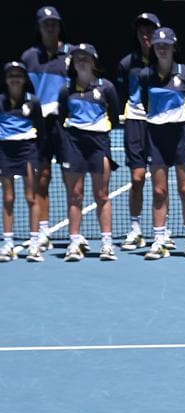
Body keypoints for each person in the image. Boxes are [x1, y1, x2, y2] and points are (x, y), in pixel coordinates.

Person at [139, 27, 185, 261]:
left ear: (174, 47)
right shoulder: (146, 75)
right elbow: (146, 103)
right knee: (158, 190)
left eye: (166, 45)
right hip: (155, 135)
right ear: (153, 48)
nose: (162, 49)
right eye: (158, 45)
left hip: (181, 133)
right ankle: (159, 240)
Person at [56, 43, 119, 262]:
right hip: (74, 144)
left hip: (99, 143)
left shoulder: (106, 87)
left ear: (93, 61)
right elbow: (61, 117)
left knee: (101, 194)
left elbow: (115, 117)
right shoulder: (66, 90)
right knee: (75, 194)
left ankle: (107, 243)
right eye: (77, 58)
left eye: (85, 57)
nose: (81, 61)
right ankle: (74, 243)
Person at [20, 6, 69, 256]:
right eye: (46, 24)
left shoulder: (71, 55)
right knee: (42, 177)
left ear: (59, 26)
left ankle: (75, 236)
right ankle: (43, 231)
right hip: (39, 126)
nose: (50, 27)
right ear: (39, 28)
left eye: (54, 23)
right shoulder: (29, 57)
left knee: (73, 181)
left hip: (65, 126)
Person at [117, 11, 160, 252]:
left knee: (161, 184)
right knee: (137, 178)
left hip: (160, 123)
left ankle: (159, 232)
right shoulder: (126, 64)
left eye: (150, 29)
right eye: (142, 29)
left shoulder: (164, 60)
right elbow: (122, 93)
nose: (146, 34)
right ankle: (135, 228)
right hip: (135, 121)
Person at [0, 62, 43, 262]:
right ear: (6, 79)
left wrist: (38, 153)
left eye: (18, 75)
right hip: (5, 150)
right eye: (11, 75)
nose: (14, 78)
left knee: (31, 197)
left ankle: (34, 244)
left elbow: (40, 128)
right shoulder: (1, 101)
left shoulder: (33, 101)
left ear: (24, 79)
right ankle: (8, 244)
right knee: (8, 198)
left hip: (28, 149)